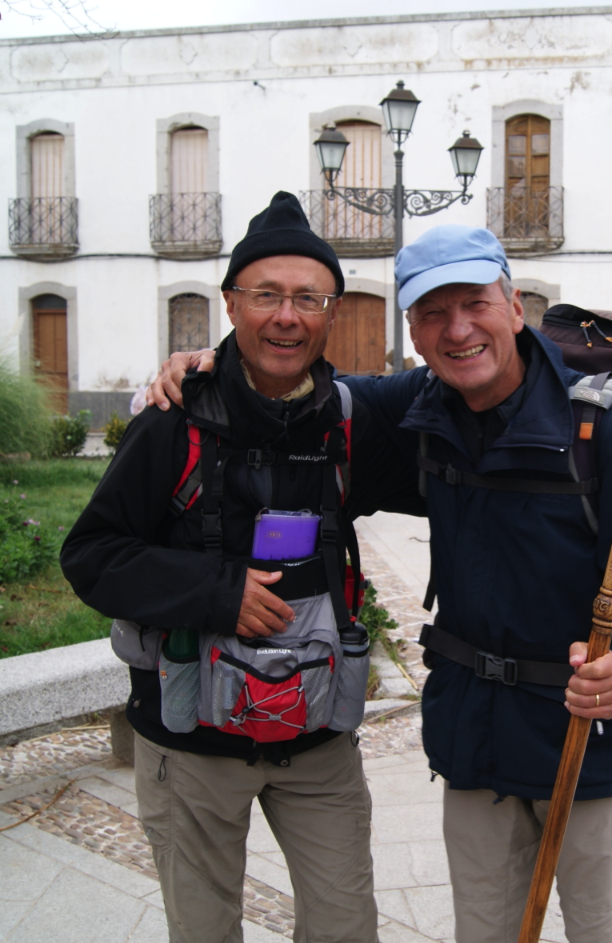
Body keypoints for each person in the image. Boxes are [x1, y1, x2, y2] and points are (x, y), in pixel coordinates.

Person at [150, 225, 612, 943]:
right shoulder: (420, 407)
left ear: (515, 306)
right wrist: (210, 364)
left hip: (586, 741)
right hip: (476, 741)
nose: (458, 329)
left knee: (600, 932)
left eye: (476, 304)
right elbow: (297, 387)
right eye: (433, 313)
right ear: (413, 331)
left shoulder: (601, 426)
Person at [60, 191, 423, 943]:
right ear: (230, 304)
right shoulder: (173, 420)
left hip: (316, 739)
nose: (287, 316)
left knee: (346, 928)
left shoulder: (349, 422)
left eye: (308, 298)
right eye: (266, 295)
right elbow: (92, 555)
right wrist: (219, 592)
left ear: (332, 313)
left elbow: (468, 390)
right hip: (191, 742)